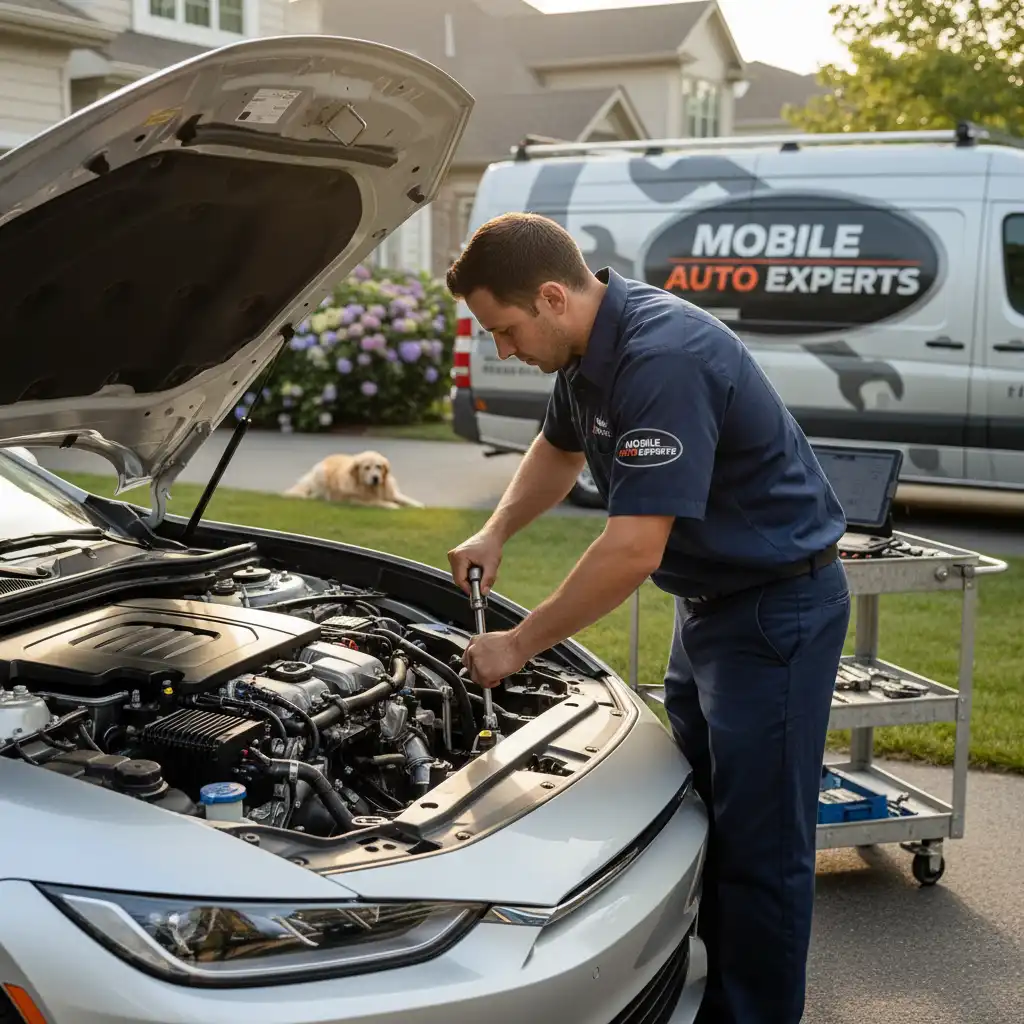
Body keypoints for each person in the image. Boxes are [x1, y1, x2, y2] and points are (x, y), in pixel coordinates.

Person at [444, 212, 851, 1024]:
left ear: (553, 296)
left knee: (761, 852)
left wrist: (517, 646)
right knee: (693, 817)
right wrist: (496, 528)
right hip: (709, 612)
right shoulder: (588, 349)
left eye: (506, 329)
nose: (503, 349)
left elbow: (631, 550)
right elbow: (559, 450)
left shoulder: (661, 357)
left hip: (774, 617)